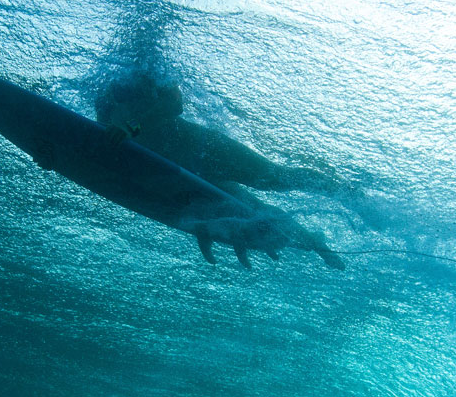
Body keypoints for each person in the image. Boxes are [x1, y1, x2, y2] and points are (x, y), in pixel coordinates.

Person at [95, 73, 345, 269]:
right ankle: (314, 242)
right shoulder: (105, 95)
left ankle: (346, 192)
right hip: (183, 174)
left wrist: (132, 126)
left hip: (205, 149)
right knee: (252, 211)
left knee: (274, 177)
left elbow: (174, 104)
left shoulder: (146, 71)